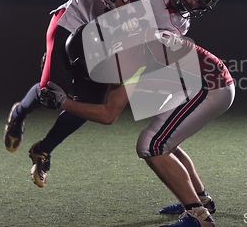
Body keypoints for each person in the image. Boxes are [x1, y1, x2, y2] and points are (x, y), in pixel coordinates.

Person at [4, 0, 224, 188]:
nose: (191, 2)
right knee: (50, 92)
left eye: (199, 3)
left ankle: (43, 149)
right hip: (78, 17)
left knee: (89, 105)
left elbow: (140, 47)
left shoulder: (178, 27)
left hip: (105, 44)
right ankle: (18, 115)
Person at [40, 25, 235, 227]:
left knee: (151, 145)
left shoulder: (127, 55)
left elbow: (108, 114)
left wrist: (63, 102)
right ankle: (200, 200)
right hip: (201, 82)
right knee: (164, 143)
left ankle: (198, 217)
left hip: (208, 87)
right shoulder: (127, 42)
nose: (88, 67)